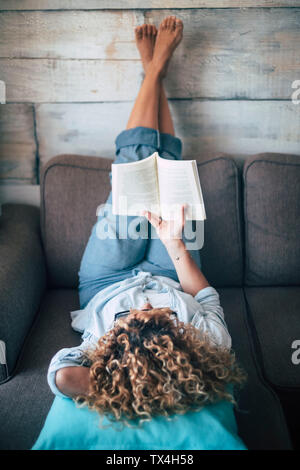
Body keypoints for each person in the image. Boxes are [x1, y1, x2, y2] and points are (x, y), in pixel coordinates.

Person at [47, 16, 245, 426]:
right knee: (169, 178)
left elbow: (64, 375)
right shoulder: (210, 345)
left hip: (105, 280)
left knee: (133, 170)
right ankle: (156, 69)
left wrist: (133, 383)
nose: (145, 307)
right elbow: (206, 297)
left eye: (133, 323)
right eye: (158, 318)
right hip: (172, 269)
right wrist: (174, 245)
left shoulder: (101, 353)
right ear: (177, 342)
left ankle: (153, 67)